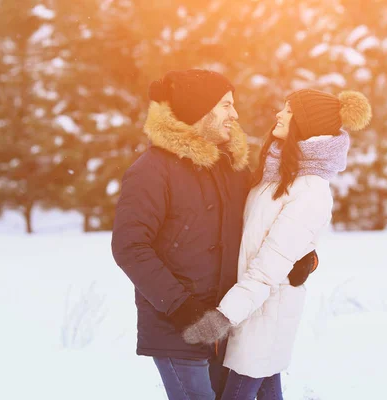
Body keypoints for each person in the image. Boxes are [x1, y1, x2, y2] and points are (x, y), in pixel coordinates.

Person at [182, 88, 372, 399]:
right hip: (251, 306)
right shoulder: (277, 174)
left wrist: (223, 316)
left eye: (288, 110)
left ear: (306, 124)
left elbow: (268, 267)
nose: (278, 115)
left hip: (264, 314)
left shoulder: (310, 189)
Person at [111, 69, 250, 399]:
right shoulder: (152, 170)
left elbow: (262, 220)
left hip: (227, 320)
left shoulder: (232, 166)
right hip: (178, 326)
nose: (235, 114)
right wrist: (182, 307)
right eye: (226, 105)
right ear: (200, 110)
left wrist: (300, 256)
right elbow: (129, 246)